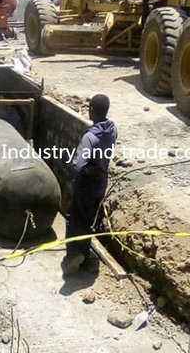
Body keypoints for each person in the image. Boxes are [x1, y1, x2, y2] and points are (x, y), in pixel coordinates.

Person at [61, 94, 118, 275]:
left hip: (86, 184)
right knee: (88, 220)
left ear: (92, 110)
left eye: (89, 108)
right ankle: (85, 256)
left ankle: (74, 255)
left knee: (73, 218)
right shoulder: (112, 130)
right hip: (101, 183)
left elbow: (78, 165)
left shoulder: (89, 138)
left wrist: (82, 171)